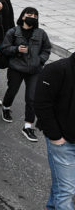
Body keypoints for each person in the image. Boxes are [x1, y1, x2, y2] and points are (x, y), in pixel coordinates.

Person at [0, 7, 51, 141]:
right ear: (23, 16)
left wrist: (40, 61)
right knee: (12, 90)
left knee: (32, 98)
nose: (32, 17)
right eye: (29, 14)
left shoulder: (41, 33)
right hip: (16, 68)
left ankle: (27, 127)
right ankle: (6, 107)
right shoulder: (13, 32)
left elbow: (46, 49)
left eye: (35, 16)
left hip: (34, 70)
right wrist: (16, 49)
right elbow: (4, 48)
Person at [35, 52, 75, 209]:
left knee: (62, 185)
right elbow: (41, 104)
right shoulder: (56, 70)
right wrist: (56, 138)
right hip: (63, 143)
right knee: (66, 191)